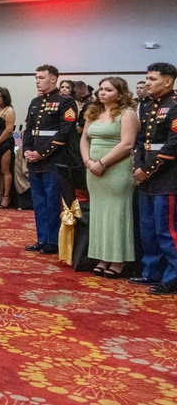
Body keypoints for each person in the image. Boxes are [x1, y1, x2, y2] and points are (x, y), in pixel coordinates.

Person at [79, 77, 138, 278]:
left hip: (117, 169)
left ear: (120, 93)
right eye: (100, 89)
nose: (102, 93)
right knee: (99, 213)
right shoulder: (93, 112)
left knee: (116, 214)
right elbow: (84, 139)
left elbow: (127, 144)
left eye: (108, 90)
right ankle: (103, 257)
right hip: (93, 170)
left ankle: (118, 260)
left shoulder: (127, 113)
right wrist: (88, 161)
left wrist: (102, 163)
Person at [23, 65, 79, 255]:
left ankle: (54, 241)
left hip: (54, 159)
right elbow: (29, 128)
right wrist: (27, 150)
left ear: (53, 79)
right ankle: (43, 238)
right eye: (36, 77)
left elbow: (65, 132)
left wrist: (42, 153)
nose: (37, 80)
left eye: (41, 77)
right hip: (34, 159)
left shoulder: (66, 102)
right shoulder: (35, 102)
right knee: (38, 201)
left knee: (53, 201)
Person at [131, 62, 177, 295]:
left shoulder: (174, 106)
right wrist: (139, 166)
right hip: (146, 177)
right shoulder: (148, 106)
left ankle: (173, 277)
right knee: (147, 229)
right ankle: (151, 271)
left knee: (166, 230)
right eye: (146, 78)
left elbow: (173, 144)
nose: (147, 82)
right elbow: (140, 142)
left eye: (152, 79)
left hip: (167, 177)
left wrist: (148, 169)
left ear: (168, 81)